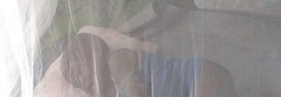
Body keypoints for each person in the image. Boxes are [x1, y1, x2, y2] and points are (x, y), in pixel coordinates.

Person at [61, 27, 237, 97]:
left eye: (76, 69)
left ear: (94, 52)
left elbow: (134, 89)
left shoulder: (116, 59)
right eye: (73, 79)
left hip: (200, 76)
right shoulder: (108, 90)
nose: (78, 79)